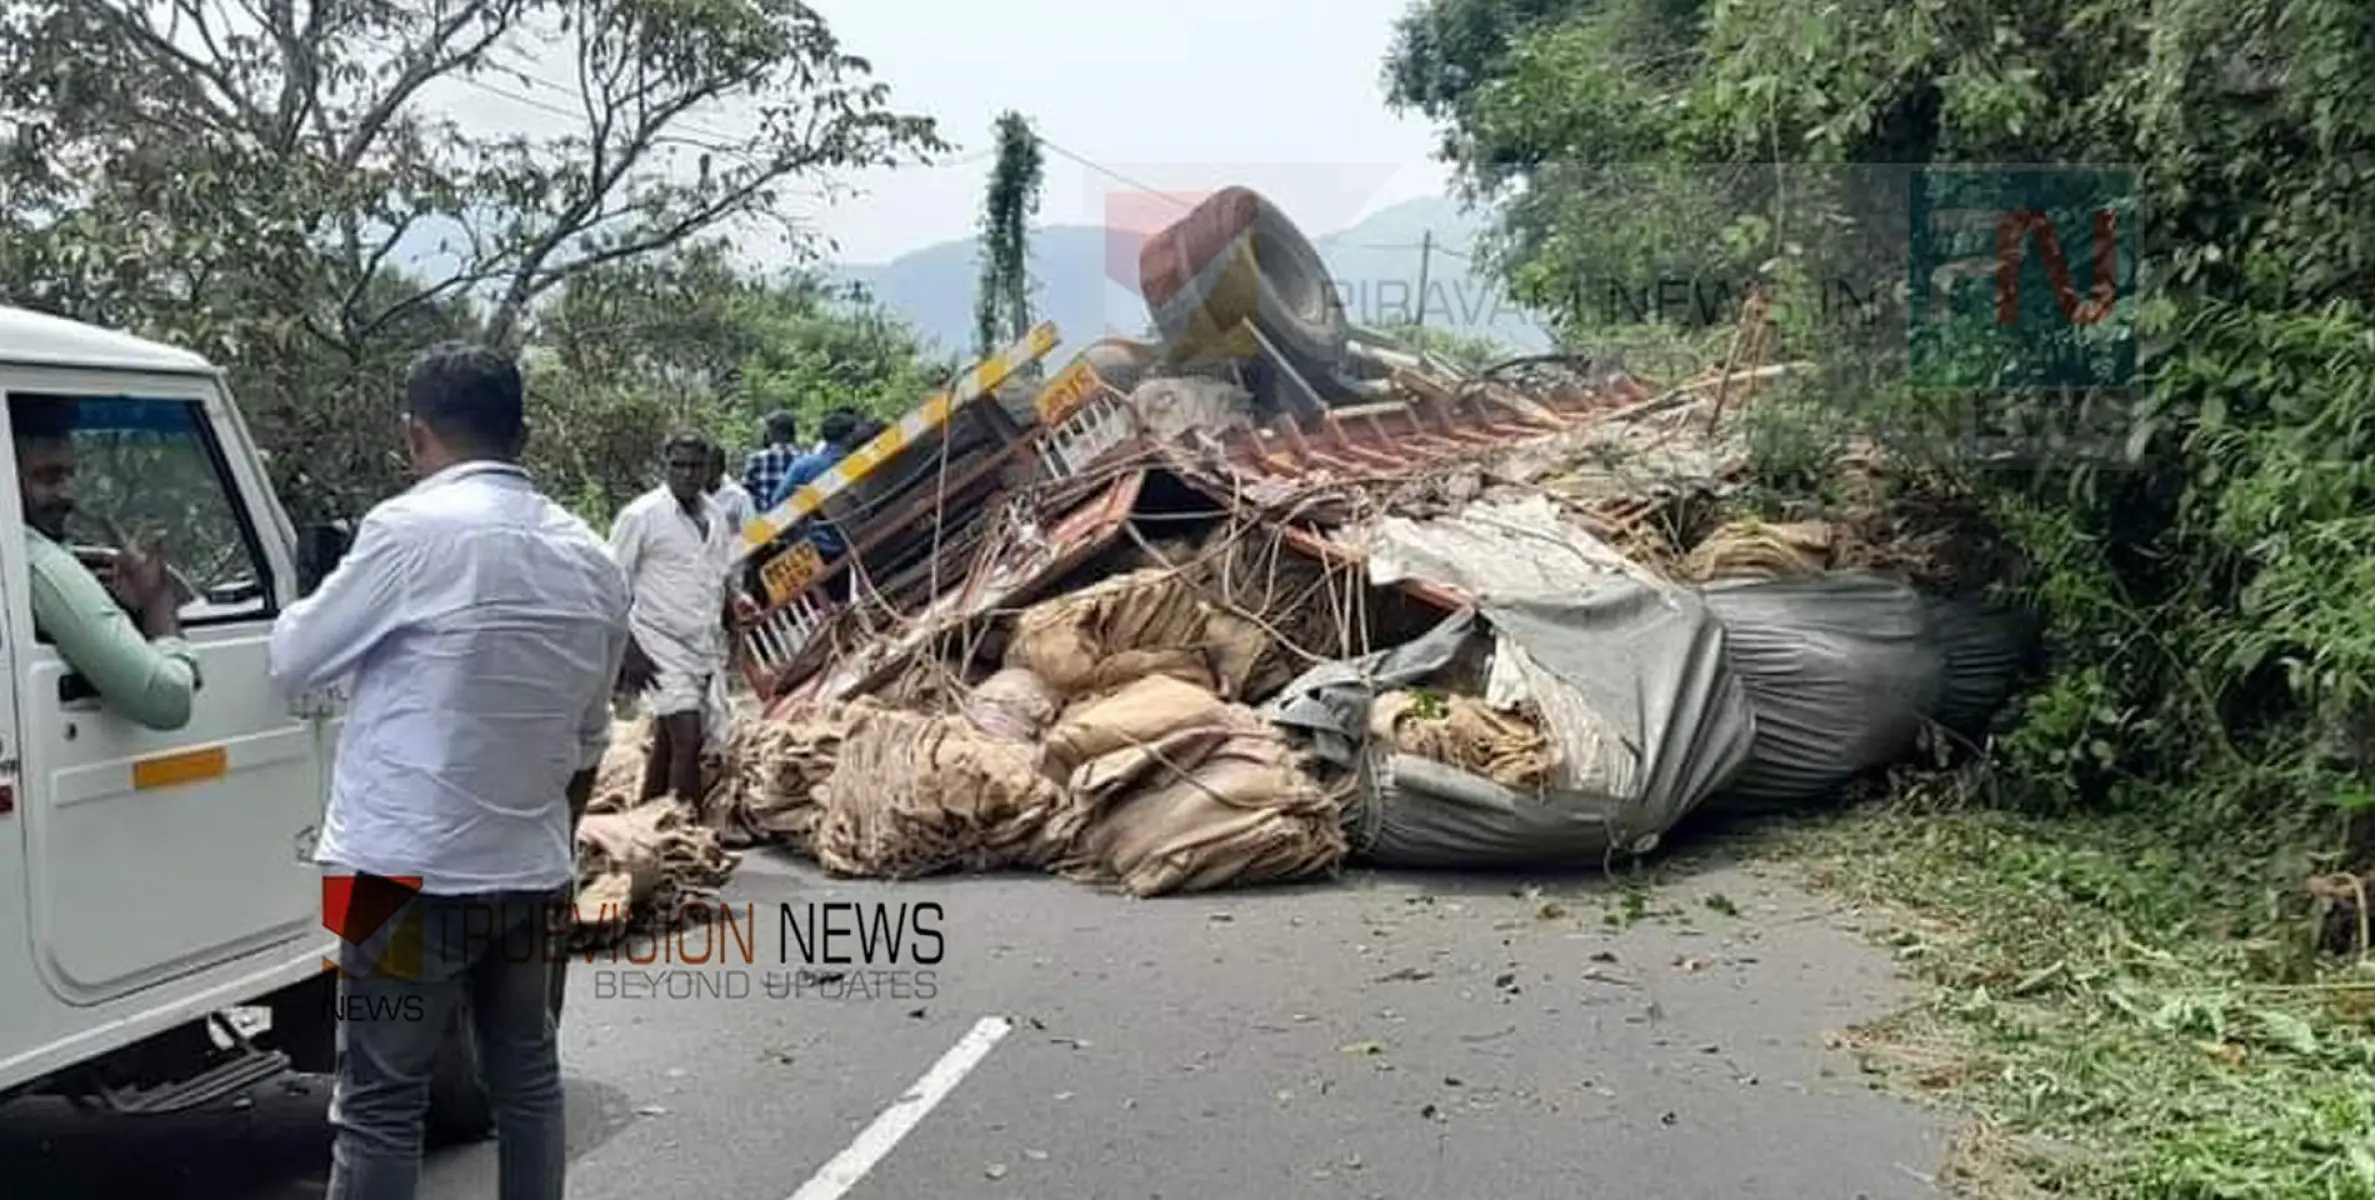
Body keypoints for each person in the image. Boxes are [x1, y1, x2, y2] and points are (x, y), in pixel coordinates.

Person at [266, 343, 631, 1200]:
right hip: (529, 873)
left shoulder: (402, 532)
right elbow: (590, 738)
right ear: (523, 434)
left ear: (413, 436)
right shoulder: (591, 557)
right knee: (529, 1083)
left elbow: (294, 662)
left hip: (391, 874)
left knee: (381, 1100)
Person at [10, 395, 198, 731]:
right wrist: (158, 607)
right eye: (48, 478)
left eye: (69, 475)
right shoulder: (37, 562)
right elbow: (168, 699)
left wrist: (124, 610)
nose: (68, 494)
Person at [609, 433, 739, 803]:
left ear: (708, 469)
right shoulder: (641, 517)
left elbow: (718, 577)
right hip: (656, 642)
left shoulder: (715, 515)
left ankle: (647, 814)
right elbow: (613, 586)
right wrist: (627, 649)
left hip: (701, 644)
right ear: (665, 466)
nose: (686, 474)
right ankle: (685, 834)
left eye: (695, 466)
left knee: (669, 740)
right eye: (678, 465)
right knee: (688, 735)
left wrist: (733, 618)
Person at [738, 411, 800, 511]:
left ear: (772, 432)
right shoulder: (803, 459)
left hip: (765, 523)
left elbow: (745, 493)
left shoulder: (757, 459)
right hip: (796, 521)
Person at [707, 442, 756, 535]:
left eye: (710, 465)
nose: (705, 470)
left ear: (721, 468)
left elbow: (752, 534)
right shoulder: (689, 494)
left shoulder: (738, 497)